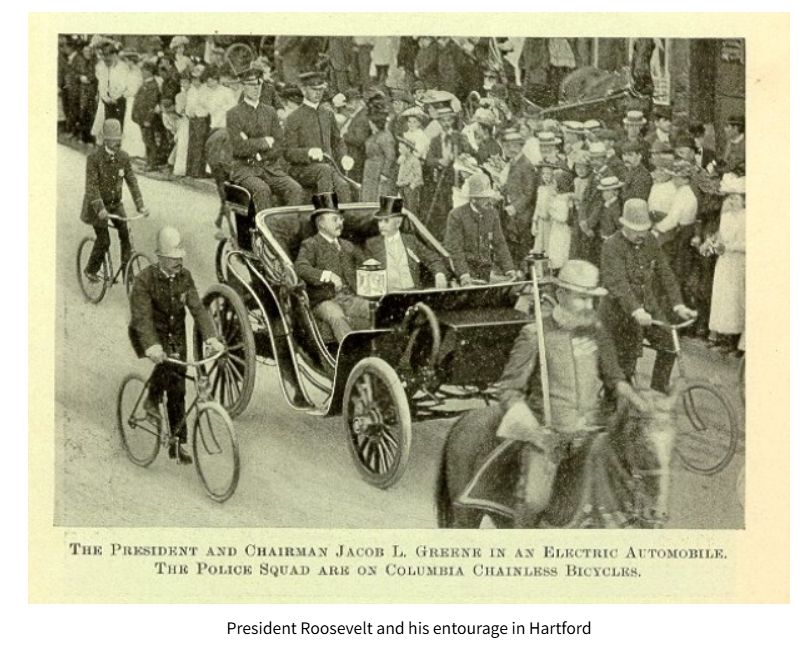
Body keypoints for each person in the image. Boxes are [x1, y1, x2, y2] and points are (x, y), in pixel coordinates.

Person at [494, 259, 640, 524]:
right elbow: (509, 390)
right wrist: (535, 434)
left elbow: (613, 376)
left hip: (590, 434)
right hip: (549, 438)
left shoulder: (596, 331)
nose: (588, 306)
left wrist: (635, 399)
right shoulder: (534, 334)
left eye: (592, 299)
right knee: (535, 499)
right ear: (561, 295)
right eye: (581, 298)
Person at [128, 226, 223, 464]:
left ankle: (178, 442)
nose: (178, 261)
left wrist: (211, 337)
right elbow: (141, 318)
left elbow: (198, 309)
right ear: (160, 257)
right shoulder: (144, 281)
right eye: (173, 258)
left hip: (175, 336)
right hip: (151, 335)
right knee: (168, 368)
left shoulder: (185, 277)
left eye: (180, 257)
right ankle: (151, 400)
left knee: (179, 388)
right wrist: (151, 346)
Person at [600, 198, 696, 394]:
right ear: (624, 225)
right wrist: (636, 310)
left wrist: (678, 304)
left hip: (649, 308)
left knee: (669, 343)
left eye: (644, 229)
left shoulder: (650, 240)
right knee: (625, 368)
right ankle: (615, 407)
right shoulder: (611, 246)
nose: (641, 234)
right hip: (619, 313)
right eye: (636, 230)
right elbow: (619, 284)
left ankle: (659, 390)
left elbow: (665, 272)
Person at [294, 193, 370, 343]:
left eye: (341, 218)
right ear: (321, 223)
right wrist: (328, 276)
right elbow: (300, 267)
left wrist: (371, 267)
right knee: (336, 317)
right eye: (335, 219)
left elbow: (365, 263)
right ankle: (350, 357)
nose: (340, 222)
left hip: (349, 297)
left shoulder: (347, 245)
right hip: (324, 301)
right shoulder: (311, 244)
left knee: (373, 309)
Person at [226, 67, 303, 211]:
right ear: (243, 87)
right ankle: (263, 232)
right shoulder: (234, 114)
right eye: (251, 85)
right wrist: (263, 142)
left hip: (270, 168)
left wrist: (258, 150)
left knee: (295, 189)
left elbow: (279, 143)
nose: (256, 89)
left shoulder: (270, 112)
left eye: (258, 85)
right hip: (245, 170)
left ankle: (287, 229)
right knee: (262, 190)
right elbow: (237, 147)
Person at [81, 119, 149, 282]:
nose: (116, 143)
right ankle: (91, 270)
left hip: (115, 204)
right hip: (98, 207)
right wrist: (100, 208)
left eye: (118, 139)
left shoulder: (123, 157)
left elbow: (132, 181)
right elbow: (92, 186)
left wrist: (141, 205)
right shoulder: (94, 158)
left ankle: (128, 272)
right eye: (112, 139)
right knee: (104, 241)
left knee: (125, 235)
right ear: (105, 139)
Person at [283, 71, 355, 202]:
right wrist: (308, 153)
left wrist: (344, 155)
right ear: (304, 90)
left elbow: (337, 141)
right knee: (324, 171)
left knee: (343, 186)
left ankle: (345, 221)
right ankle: (325, 215)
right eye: (314, 89)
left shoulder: (327, 114)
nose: (318, 93)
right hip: (301, 169)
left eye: (321, 89)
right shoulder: (293, 118)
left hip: (327, 167)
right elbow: (288, 153)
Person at [444, 173, 517, 285]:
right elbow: (455, 249)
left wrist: (509, 269)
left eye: (489, 197)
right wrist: (464, 274)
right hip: (464, 272)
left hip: (485, 271)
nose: (488, 201)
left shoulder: (492, 214)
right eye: (484, 198)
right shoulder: (456, 215)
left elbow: (500, 243)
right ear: (473, 199)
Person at [363, 195, 448, 291]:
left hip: (413, 294)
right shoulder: (371, 244)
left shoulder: (411, 240)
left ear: (398, 222)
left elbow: (433, 259)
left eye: (386, 221)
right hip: (389, 297)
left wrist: (439, 274)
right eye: (379, 221)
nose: (381, 225)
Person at [708, 174, 746, 354]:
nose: (733, 201)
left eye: (736, 198)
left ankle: (735, 341)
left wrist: (729, 247)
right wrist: (716, 246)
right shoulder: (727, 216)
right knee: (722, 298)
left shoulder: (747, 218)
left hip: (738, 262)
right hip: (724, 261)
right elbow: (721, 236)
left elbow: (747, 243)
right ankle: (722, 336)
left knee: (735, 299)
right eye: (730, 198)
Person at [501, 129, 538, 268]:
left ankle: (527, 276)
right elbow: (511, 185)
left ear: (521, 146)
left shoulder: (526, 164)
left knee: (523, 247)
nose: (511, 149)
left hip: (523, 214)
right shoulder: (513, 162)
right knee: (514, 245)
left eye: (514, 146)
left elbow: (529, 193)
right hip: (513, 213)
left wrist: (515, 207)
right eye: (508, 146)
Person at [131, 61, 166, 171]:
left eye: (144, 70)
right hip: (141, 117)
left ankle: (152, 164)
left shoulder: (153, 86)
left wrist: (148, 119)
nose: (142, 72)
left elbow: (152, 104)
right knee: (146, 139)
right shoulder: (146, 83)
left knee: (150, 141)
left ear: (150, 72)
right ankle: (148, 162)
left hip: (147, 118)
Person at [621, 138, 652, 203]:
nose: (626, 158)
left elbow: (636, 201)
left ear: (639, 156)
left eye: (630, 155)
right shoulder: (629, 170)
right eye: (624, 154)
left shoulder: (642, 176)